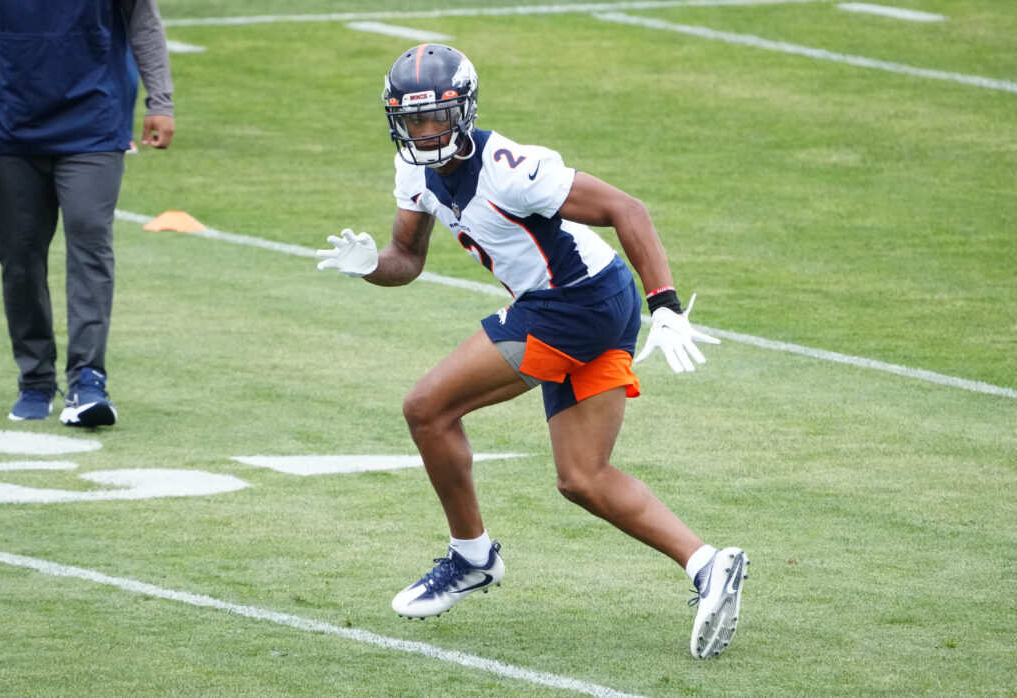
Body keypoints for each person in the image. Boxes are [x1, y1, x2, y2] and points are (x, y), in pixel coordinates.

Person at [317, 44, 749, 659]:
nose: (426, 130)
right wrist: (369, 266)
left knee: (427, 409)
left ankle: (472, 557)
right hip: (581, 304)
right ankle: (709, 565)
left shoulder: (510, 166)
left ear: (463, 112)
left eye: (437, 117)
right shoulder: (413, 171)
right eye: (414, 120)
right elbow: (405, 259)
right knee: (582, 477)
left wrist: (668, 304)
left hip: (575, 303)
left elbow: (626, 208)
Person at [0, 0, 175, 426]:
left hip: (94, 124)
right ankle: (35, 379)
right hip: (8, 127)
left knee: (90, 240)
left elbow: (143, 23)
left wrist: (160, 101)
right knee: (20, 257)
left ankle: (88, 380)